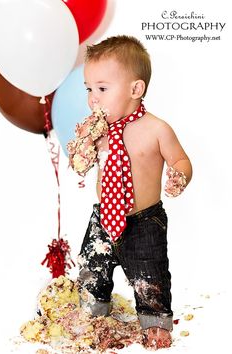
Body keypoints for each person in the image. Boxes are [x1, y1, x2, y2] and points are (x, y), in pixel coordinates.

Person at [76, 35, 193, 350]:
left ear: (135, 89)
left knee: (150, 274)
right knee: (91, 269)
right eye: (88, 89)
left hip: (143, 221)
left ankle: (155, 323)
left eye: (102, 88)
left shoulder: (156, 129)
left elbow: (181, 159)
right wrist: (83, 151)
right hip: (103, 219)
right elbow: (81, 163)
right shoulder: (98, 131)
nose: (93, 99)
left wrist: (179, 175)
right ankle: (93, 314)